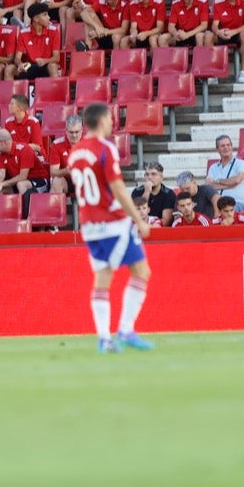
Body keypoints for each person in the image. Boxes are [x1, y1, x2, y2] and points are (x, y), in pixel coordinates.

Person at [66, 101, 155, 354]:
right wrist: (138, 220)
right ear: (103, 120)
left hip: (90, 224)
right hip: (113, 222)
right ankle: (124, 330)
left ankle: (105, 338)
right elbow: (116, 187)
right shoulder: (105, 148)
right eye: (110, 119)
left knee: (104, 278)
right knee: (141, 271)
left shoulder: (75, 152)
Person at [207, 133, 244, 213]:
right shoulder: (213, 167)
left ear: (232, 147)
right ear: (217, 149)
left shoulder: (241, 163)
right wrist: (231, 184)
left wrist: (218, 181)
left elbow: (237, 180)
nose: (226, 148)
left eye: (228, 145)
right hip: (216, 204)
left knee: (226, 212)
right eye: (222, 146)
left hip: (236, 204)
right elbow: (210, 186)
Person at [131, 161, 178, 225]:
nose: (149, 177)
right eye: (147, 174)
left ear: (161, 177)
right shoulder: (137, 191)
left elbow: (166, 221)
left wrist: (151, 227)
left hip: (160, 230)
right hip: (140, 228)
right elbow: (136, 214)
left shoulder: (168, 194)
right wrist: (147, 192)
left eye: (153, 174)